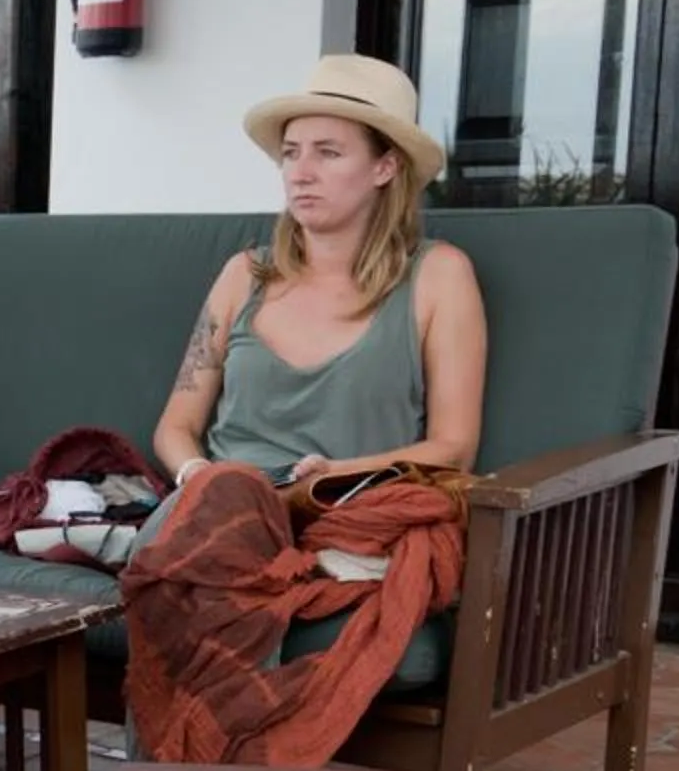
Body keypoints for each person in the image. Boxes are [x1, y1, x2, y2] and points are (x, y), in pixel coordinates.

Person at [153, 54, 486, 499]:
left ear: (384, 168)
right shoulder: (244, 274)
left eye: (328, 153)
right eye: (291, 153)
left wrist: (331, 477)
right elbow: (176, 426)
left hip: (347, 507)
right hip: (221, 507)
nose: (301, 173)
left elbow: (455, 449)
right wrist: (196, 476)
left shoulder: (438, 276)